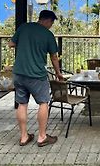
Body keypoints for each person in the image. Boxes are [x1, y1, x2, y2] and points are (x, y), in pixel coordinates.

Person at [9, 10, 64, 147]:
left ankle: (23, 137)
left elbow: (11, 44)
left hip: (19, 73)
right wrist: (58, 73)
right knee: (43, 102)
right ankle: (42, 136)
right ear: (47, 20)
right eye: (51, 22)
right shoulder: (48, 35)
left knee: (22, 104)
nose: (51, 25)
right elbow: (54, 57)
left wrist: (24, 45)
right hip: (36, 75)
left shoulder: (24, 27)